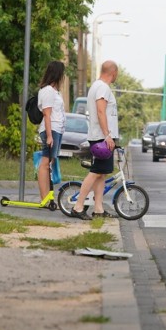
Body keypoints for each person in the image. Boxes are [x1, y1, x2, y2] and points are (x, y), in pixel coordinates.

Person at [71, 60, 119, 220]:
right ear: (113, 73)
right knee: (95, 172)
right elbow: (101, 111)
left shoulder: (97, 86)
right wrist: (107, 135)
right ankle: (78, 207)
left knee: (101, 174)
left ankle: (98, 209)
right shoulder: (103, 88)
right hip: (101, 138)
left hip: (100, 136)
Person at [37, 60, 66, 202]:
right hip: (51, 129)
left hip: (56, 129)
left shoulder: (55, 92)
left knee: (49, 161)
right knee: (45, 162)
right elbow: (46, 114)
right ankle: (44, 197)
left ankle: (47, 196)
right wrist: (49, 135)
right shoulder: (48, 91)